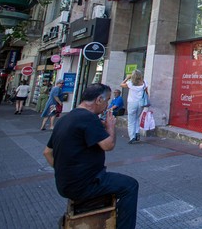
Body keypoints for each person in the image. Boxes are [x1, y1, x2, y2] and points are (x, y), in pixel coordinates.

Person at [43, 83, 139, 229]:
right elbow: (108, 145)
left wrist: (64, 171)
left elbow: (47, 152)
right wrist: (111, 127)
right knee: (130, 186)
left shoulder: (65, 118)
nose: (107, 104)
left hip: (64, 183)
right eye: (106, 100)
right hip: (86, 183)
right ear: (99, 100)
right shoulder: (88, 118)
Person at [120, 70, 148, 144]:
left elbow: (121, 84)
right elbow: (147, 93)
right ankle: (137, 133)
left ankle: (132, 137)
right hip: (140, 103)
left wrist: (127, 78)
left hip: (132, 103)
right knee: (137, 118)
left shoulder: (130, 83)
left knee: (131, 120)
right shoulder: (144, 83)